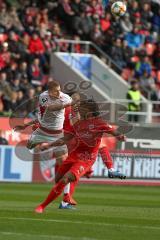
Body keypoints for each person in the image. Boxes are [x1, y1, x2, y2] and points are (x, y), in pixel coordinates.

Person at [35, 99, 126, 213]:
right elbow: (65, 138)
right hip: (73, 155)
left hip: (86, 159)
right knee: (59, 180)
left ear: (89, 111)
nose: (78, 109)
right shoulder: (78, 123)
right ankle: (66, 198)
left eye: (82, 107)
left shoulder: (99, 123)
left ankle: (42, 206)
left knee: (66, 179)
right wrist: (49, 146)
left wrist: (120, 136)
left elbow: (113, 131)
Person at [14, 80, 79, 196]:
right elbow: (50, 108)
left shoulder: (65, 97)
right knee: (29, 146)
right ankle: (45, 149)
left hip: (57, 134)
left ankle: (66, 197)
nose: (59, 93)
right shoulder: (43, 97)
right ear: (49, 92)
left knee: (64, 163)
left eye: (60, 90)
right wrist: (25, 125)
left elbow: (71, 105)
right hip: (42, 131)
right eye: (56, 91)